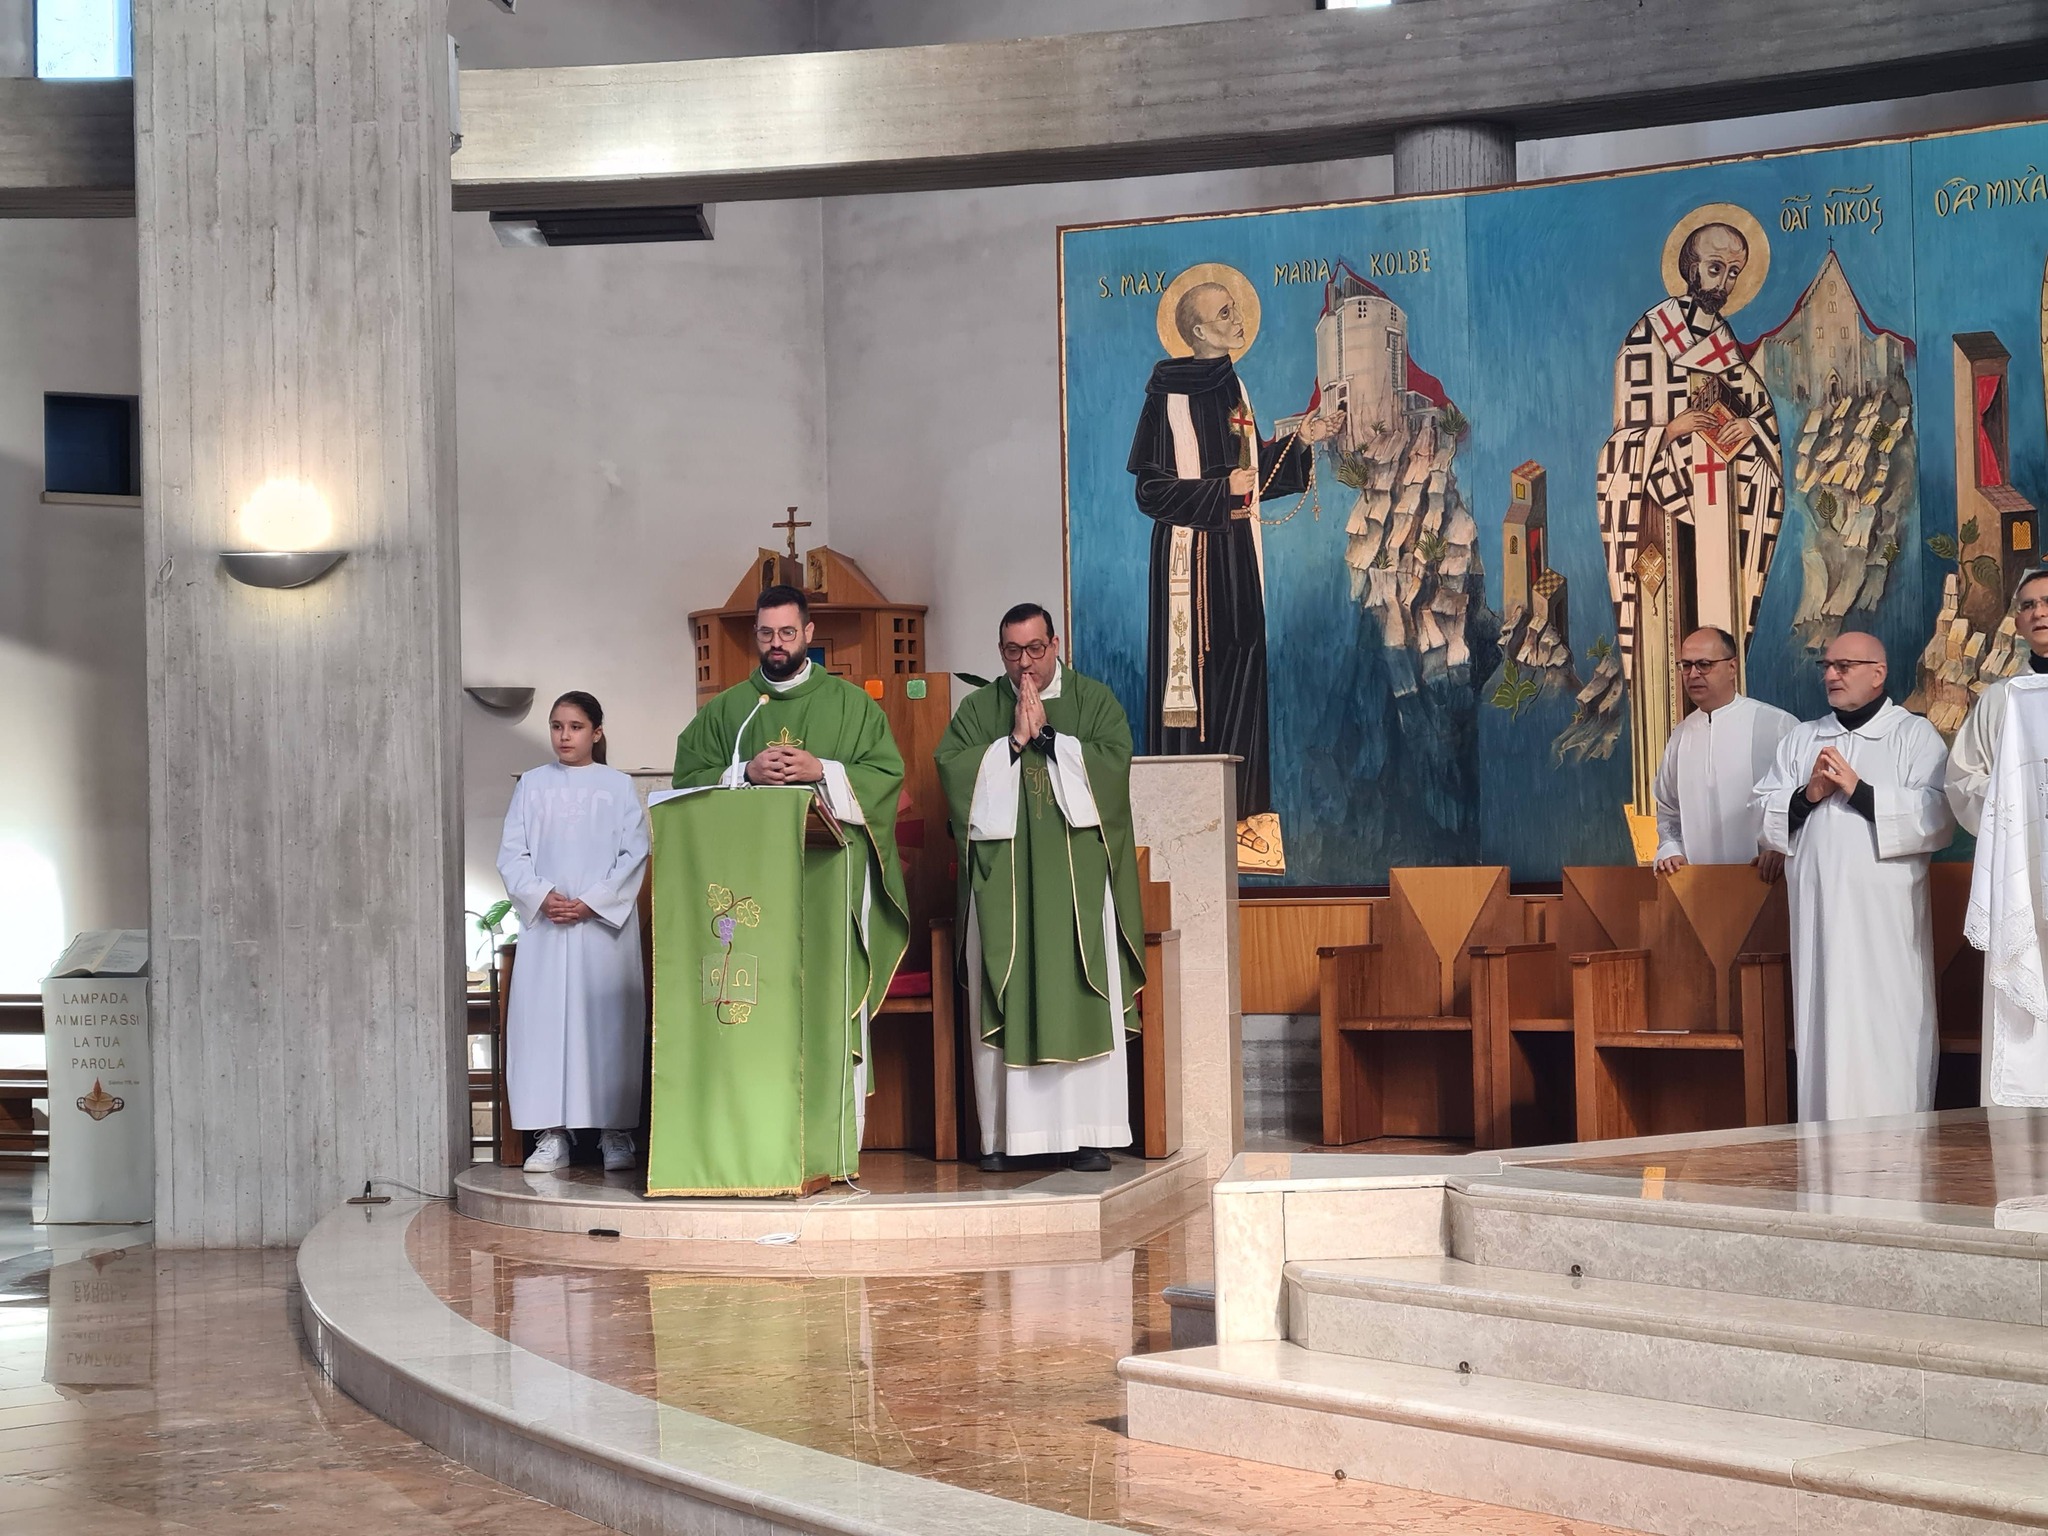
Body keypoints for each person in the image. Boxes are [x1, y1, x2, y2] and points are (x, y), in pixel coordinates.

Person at [669, 584, 909, 1167]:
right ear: (756, 638)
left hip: (831, 882)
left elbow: (887, 778)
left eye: (786, 633)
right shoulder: (728, 710)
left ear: (807, 635)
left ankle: (831, 1146)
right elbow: (685, 782)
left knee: (827, 999)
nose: (775, 645)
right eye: (765, 634)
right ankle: (750, 1140)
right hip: (752, 891)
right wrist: (743, 771)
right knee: (757, 1001)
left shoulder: (852, 706)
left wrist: (820, 770)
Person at [1127, 275, 1342, 871]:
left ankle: (1244, 820)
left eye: (1235, 310)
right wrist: (1221, 491)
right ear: (1196, 331)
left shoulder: (1232, 384)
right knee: (1198, 681)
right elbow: (1150, 491)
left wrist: (1301, 443)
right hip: (1191, 564)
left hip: (1237, 554)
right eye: (1224, 314)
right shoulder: (1169, 393)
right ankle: (1188, 827)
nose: (1237, 321)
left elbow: (1248, 473)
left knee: (1245, 667)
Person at [936, 603, 1147, 1172]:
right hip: (1003, 888)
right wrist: (1008, 744)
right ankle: (1005, 1137)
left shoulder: (1094, 701)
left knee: (1079, 981)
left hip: (1077, 885)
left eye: (1034, 649)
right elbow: (953, 771)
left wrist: (1050, 739)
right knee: (1006, 986)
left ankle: (1088, 1134)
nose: (1024, 664)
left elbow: (1112, 769)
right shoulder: (980, 710)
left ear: (1055, 644)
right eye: (1011, 651)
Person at [1756, 632, 1954, 1120]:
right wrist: (1810, 795)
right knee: (1824, 1025)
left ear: (1878, 673)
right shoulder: (1803, 738)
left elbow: (1939, 816)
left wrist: (1860, 790)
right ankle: (1825, 1153)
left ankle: (1899, 1150)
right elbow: (1764, 814)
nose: (1830, 675)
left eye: (1844, 666)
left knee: (1887, 1022)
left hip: (1885, 926)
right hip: (1818, 924)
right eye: (1827, 665)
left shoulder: (1912, 735)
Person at [497, 692, 650, 1174]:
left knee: (606, 1025)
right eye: (557, 726)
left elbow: (635, 854)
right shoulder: (532, 786)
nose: (565, 736)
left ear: (596, 733)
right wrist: (543, 896)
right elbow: (512, 853)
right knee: (543, 1025)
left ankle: (614, 1133)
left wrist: (593, 901)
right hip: (547, 926)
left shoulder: (618, 786)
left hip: (601, 930)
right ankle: (551, 1135)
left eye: (576, 727)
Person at [1955, 569, 2048, 1107]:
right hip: (2022, 877)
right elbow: (1963, 777)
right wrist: (2011, 802)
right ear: (2017, 621)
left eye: (2047, 602)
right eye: (2029, 605)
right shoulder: (1998, 700)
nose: (2039, 612)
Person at [1652, 626, 1797, 878]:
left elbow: (1805, 800)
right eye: (1686, 665)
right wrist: (1670, 848)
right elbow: (1669, 810)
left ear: (1732, 667)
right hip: (1696, 884)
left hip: (1768, 881)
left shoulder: (1777, 725)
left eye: (1704, 664)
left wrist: (1782, 846)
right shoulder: (1680, 736)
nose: (1693, 674)